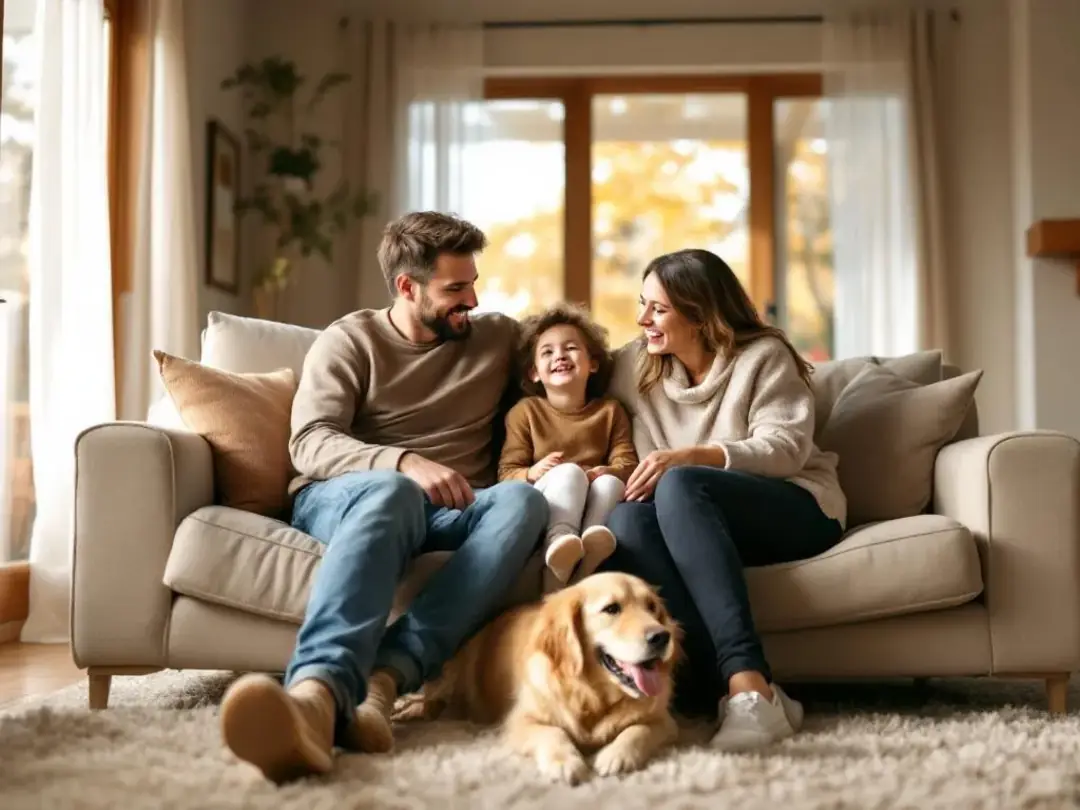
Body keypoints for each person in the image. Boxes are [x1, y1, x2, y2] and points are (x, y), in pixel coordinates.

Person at [218, 211, 548, 783]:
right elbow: (310, 441)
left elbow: (573, 360)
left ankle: (386, 680)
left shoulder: (495, 337)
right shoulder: (351, 340)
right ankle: (317, 695)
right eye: (455, 288)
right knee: (394, 492)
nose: (471, 298)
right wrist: (403, 462)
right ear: (406, 286)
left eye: (473, 282)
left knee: (523, 503)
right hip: (352, 496)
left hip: (457, 509)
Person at [601, 247, 846, 752]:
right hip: (695, 522)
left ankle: (749, 685)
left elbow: (786, 450)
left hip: (795, 507)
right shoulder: (635, 365)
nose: (643, 319)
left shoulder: (763, 357)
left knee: (682, 481)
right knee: (626, 519)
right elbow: (564, 367)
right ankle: (720, 689)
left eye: (659, 309)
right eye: (642, 304)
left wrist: (695, 455)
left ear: (700, 313)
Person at [497, 303, 638, 592]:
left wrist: (604, 471)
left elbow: (628, 464)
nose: (560, 355)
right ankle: (559, 541)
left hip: (592, 504)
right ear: (534, 372)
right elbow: (506, 473)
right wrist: (534, 472)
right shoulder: (526, 412)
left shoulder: (611, 411)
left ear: (593, 363)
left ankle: (589, 545)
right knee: (570, 474)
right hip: (547, 500)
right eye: (547, 352)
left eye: (571, 348)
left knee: (611, 482)